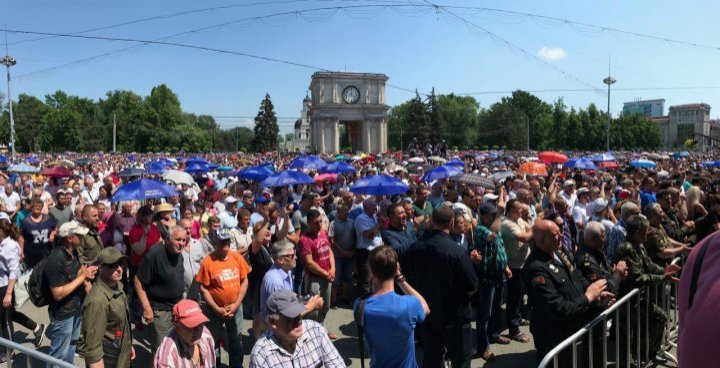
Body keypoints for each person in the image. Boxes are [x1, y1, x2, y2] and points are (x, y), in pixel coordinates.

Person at [522, 220, 614, 367]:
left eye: (560, 231)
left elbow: (576, 278)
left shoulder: (558, 252)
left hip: (569, 328)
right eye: (555, 234)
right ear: (541, 240)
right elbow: (557, 308)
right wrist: (588, 297)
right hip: (552, 334)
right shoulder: (536, 268)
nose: (561, 235)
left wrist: (596, 295)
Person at [402, 206, 479, 368]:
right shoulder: (456, 252)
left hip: (427, 315)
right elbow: (472, 286)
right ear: (452, 223)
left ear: (432, 221)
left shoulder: (416, 247)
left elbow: (408, 277)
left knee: (431, 358)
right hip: (454, 316)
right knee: (461, 360)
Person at [614, 215, 680, 364]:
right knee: (626, 337)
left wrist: (664, 271)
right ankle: (633, 360)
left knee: (658, 318)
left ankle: (646, 354)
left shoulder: (639, 245)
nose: (648, 233)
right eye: (645, 231)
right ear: (637, 232)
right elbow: (638, 278)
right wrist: (663, 278)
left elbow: (649, 265)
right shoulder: (626, 248)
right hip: (628, 302)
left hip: (640, 299)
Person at [354, 245, 429, 367]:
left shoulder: (360, 306)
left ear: (372, 273)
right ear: (395, 269)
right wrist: (400, 279)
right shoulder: (409, 304)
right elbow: (425, 307)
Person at [196, 228, 251, 367]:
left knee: (236, 338)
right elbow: (203, 289)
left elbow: (244, 282)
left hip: (235, 308)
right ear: (215, 242)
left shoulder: (237, 257)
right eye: (222, 241)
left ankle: (236, 365)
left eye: (227, 240)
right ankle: (216, 364)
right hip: (214, 310)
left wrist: (236, 304)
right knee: (213, 340)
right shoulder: (208, 261)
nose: (226, 243)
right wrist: (217, 308)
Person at [45, 221, 98, 364]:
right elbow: (57, 293)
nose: (82, 237)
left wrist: (84, 273)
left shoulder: (72, 253)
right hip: (62, 314)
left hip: (75, 309)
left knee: (70, 348)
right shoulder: (56, 258)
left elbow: (70, 279)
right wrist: (81, 278)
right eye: (79, 234)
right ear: (69, 238)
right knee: (58, 355)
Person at [250, 290, 344, 368]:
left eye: (298, 314)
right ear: (273, 322)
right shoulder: (261, 355)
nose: (299, 321)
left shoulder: (316, 331)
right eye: (291, 317)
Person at [78, 247, 135, 368]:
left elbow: (120, 325)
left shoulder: (117, 286)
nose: (119, 269)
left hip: (121, 356)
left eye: (120, 264)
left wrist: (128, 345)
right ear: (101, 268)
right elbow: (92, 350)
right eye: (113, 265)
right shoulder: (97, 301)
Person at [134, 225, 187, 353]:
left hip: (177, 308)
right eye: (178, 240)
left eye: (184, 240)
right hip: (160, 311)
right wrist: (147, 309)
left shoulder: (179, 253)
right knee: (161, 352)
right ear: (168, 239)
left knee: (176, 348)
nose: (182, 243)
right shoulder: (154, 254)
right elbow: (138, 280)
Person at [473, 203, 512, 360]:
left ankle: (494, 334)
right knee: (484, 314)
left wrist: (506, 266)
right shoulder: (481, 230)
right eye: (492, 215)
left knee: (496, 308)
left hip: (497, 275)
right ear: (483, 216)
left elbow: (500, 246)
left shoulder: (494, 227)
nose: (496, 218)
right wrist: (500, 214)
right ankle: (483, 347)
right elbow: (492, 236)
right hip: (486, 277)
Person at [260, 239, 323, 325]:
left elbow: (288, 293)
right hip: (274, 326)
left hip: (283, 315)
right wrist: (311, 306)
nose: (296, 257)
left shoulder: (287, 270)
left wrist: (302, 299)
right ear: (281, 260)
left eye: (295, 253)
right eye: (292, 256)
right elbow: (283, 317)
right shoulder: (275, 282)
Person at [298, 209, 337, 339]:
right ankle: (312, 333)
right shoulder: (304, 240)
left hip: (327, 276)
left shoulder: (323, 233)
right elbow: (309, 263)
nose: (319, 225)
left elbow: (329, 250)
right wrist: (326, 273)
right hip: (314, 279)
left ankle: (321, 327)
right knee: (314, 308)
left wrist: (333, 268)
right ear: (308, 223)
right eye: (315, 223)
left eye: (321, 221)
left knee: (326, 305)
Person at [500, 199, 532, 343]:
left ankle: (518, 319)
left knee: (520, 295)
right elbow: (525, 237)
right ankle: (513, 330)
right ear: (512, 210)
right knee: (513, 297)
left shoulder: (519, 220)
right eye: (520, 208)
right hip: (514, 266)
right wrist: (534, 229)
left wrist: (531, 230)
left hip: (523, 263)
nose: (523, 211)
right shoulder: (507, 224)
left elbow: (529, 229)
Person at [153, 299, 216, 368]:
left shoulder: (206, 335)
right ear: (176, 326)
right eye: (192, 325)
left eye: (200, 323)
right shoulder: (168, 355)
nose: (198, 330)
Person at [354, 198, 383, 296]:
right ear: (365, 207)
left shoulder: (373, 217)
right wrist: (379, 225)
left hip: (375, 251)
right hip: (366, 252)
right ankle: (364, 301)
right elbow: (368, 235)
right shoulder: (361, 218)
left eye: (375, 205)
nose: (375, 208)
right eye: (372, 206)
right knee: (366, 278)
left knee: (374, 277)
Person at [328, 204, 355, 306]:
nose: (347, 213)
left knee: (347, 278)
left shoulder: (351, 222)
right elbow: (332, 240)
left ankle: (344, 297)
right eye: (344, 211)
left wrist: (352, 250)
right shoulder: (333, 224)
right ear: (338, 212)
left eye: (347, 211)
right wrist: (342, 251)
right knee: (336, 279)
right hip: (337, 256)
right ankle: (334, 300)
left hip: (349, 256)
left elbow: (354, 237)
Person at [19, 198, 56, 269]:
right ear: (32, 207)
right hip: (31, 254)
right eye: (36, 206)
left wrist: (52, 234)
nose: (38, 207)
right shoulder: (25, 221)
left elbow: (55, 228)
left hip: (46, 251)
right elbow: (21, 236)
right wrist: (21, 251)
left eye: (40, 206)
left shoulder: (48, 218)